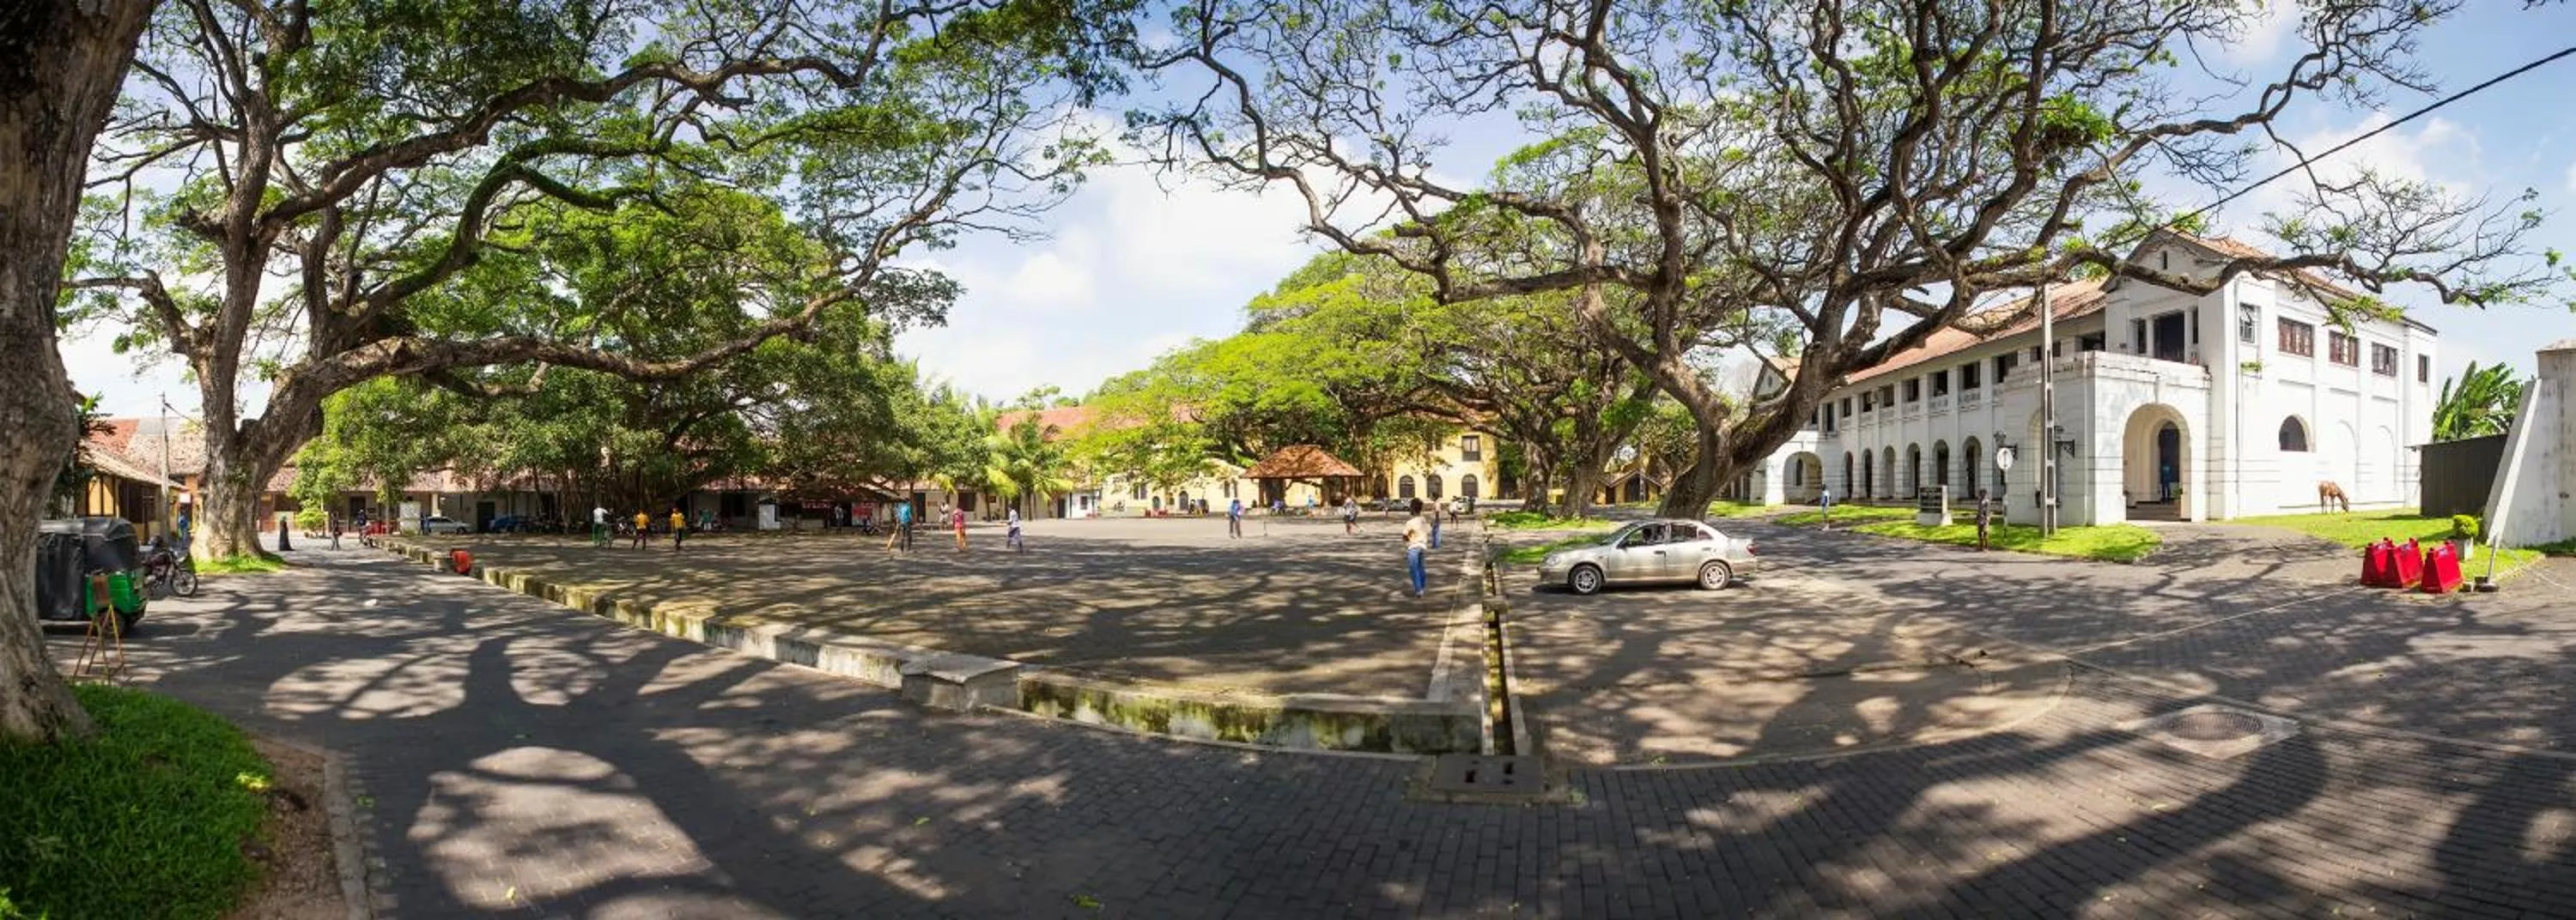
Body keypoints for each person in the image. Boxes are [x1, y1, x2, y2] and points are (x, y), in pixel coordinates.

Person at [1401, 499, 1431, 597]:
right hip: (1422, 546)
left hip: (1413, 547)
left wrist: (1408, 540)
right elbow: (1428, 531)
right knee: (1421, 568)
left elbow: (1404, 535)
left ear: (1412, 509)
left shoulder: (1410, 522)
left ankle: (1419, 590)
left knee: (1413, 569)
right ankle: (1422, 587)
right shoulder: (1423, 519)